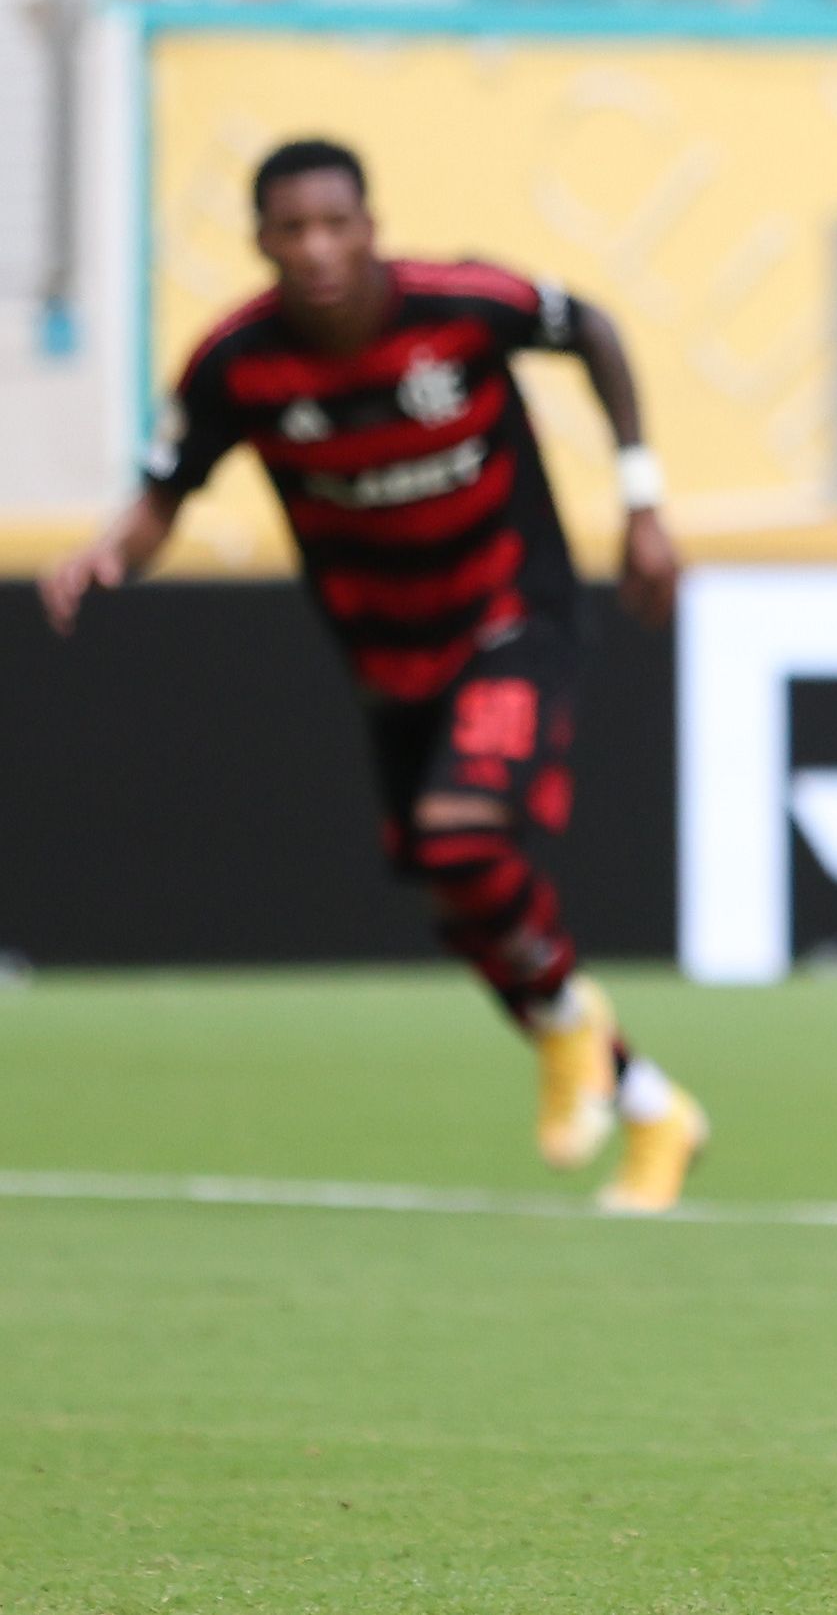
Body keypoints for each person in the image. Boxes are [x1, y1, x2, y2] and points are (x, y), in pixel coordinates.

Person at [36, 139, 705, 1213]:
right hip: (389, 657)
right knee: (464, 901)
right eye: (291, 230)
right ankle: (650, 1104)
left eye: (334, 224)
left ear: (370, 224)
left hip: (511, 613)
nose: (316, 249)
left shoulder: (463, 305)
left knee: (463, 836)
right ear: (261, 242)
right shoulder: (234, 364)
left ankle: (572, 1030)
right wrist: (108, 551)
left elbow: (595, 328)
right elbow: (167, 490)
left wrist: (642, 499)